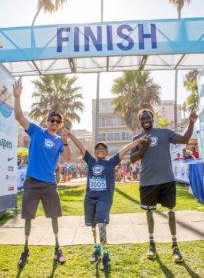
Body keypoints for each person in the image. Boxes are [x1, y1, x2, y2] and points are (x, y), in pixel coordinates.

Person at [67, 131, 148, 271]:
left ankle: (106, 254)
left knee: (101, 224)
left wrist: (139, 141)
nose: (100, 151)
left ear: (106, 152)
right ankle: (96, 249)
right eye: (98, 149)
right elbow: (80, 146)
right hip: (90, 198)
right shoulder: (91, 161)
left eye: (103, 149)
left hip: (104, 198)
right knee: (92, 224)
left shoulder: (111, 162)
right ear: (94, 151)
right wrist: (70, 135)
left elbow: (125, 148)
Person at [13, 80, 71, 267]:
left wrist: (67, 141)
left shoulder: (59, 141)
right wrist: (17, 97)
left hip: (49, 184)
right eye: (52, 120)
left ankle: (57, 248)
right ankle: (26, 250)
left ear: (60, 124)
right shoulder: (36, 131)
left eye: (57, 121)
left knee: (54, 216)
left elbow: (68, 159)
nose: (54, 123)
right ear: (47, 121)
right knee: (28, 217)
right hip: (31, 182)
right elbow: (19, 116)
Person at [130, 108, 197, 263]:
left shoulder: (165, 133)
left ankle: (175, 245)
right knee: (149, 213)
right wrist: (144, 146)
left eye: (148, 117)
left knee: (171, 212)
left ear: (152, 119)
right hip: (147, 182)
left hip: (166, 179)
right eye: (142, 118)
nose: (145, 119)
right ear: (140, 121)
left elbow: (184, 140)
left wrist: (191, 124)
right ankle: (152, 244)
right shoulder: (137, 137)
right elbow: (132, 159)